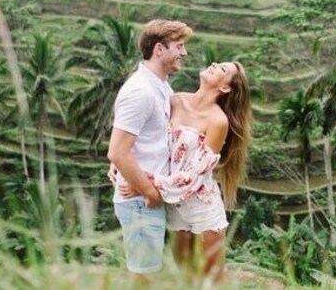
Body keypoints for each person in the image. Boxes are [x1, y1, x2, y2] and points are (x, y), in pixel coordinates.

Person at [119, 60, 252, 282]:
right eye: (218, 63)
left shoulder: (218, 121)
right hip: (175, 208)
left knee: (212, 282)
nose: (214, 64)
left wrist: (147, 184)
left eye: (222, 69)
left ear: (225, 88)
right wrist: (119, 162)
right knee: (186, 279)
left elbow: (194, 178)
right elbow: (144, 135)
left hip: (203, 209)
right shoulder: (175, 100)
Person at [106, 19, 193, 277]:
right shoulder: (141, 91)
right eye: (179, 46)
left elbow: (130, 141)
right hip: (140, 201)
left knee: (148, 272)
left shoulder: (160, 86)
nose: (184, 52)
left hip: (144, 197)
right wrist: (150, 192)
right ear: (159, 49)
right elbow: (117, 151)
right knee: (144, 276)